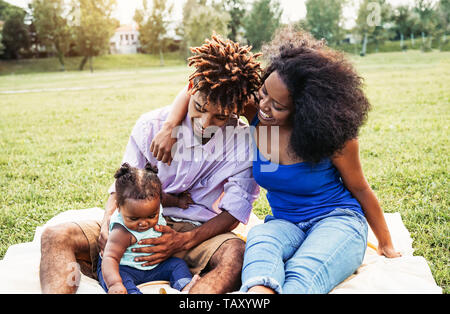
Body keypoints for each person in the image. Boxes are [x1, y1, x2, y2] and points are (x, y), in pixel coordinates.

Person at [149, 27, 402, 294]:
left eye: (278, 106)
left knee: (303, 272)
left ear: (306, 109)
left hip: (337, 219)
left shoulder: (334, 137)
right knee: (259, 245)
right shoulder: (258, 113)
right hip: (284, 223)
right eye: (264, 93)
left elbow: (361, 188)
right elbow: (202, 85)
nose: (264, 105)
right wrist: (169, 127)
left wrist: (385, 243)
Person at [39, 35, 262, 294]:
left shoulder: (245, 142)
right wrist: (107, 219)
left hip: (199, 232)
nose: (204, 122)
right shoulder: (151, 125)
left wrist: (184, 240)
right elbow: (123, 182)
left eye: (220, 116)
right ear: (190, 87)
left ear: (236, 109)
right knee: (55, 236)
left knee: (236, 254)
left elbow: (234, 212)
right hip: (135, 224)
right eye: (199, 107)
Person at [98, 162, 199, 294]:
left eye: (151, 216)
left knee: (177, 264)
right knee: (122, 283)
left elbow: (163, 199)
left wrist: (177, 202)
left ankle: (185, 286)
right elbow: (110, 258)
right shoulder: (121, 232)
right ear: (119, 207)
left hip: (154, 267)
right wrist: (114, 283)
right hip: (123, 268)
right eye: (134, 218)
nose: (144, 223)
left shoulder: (152, 204)